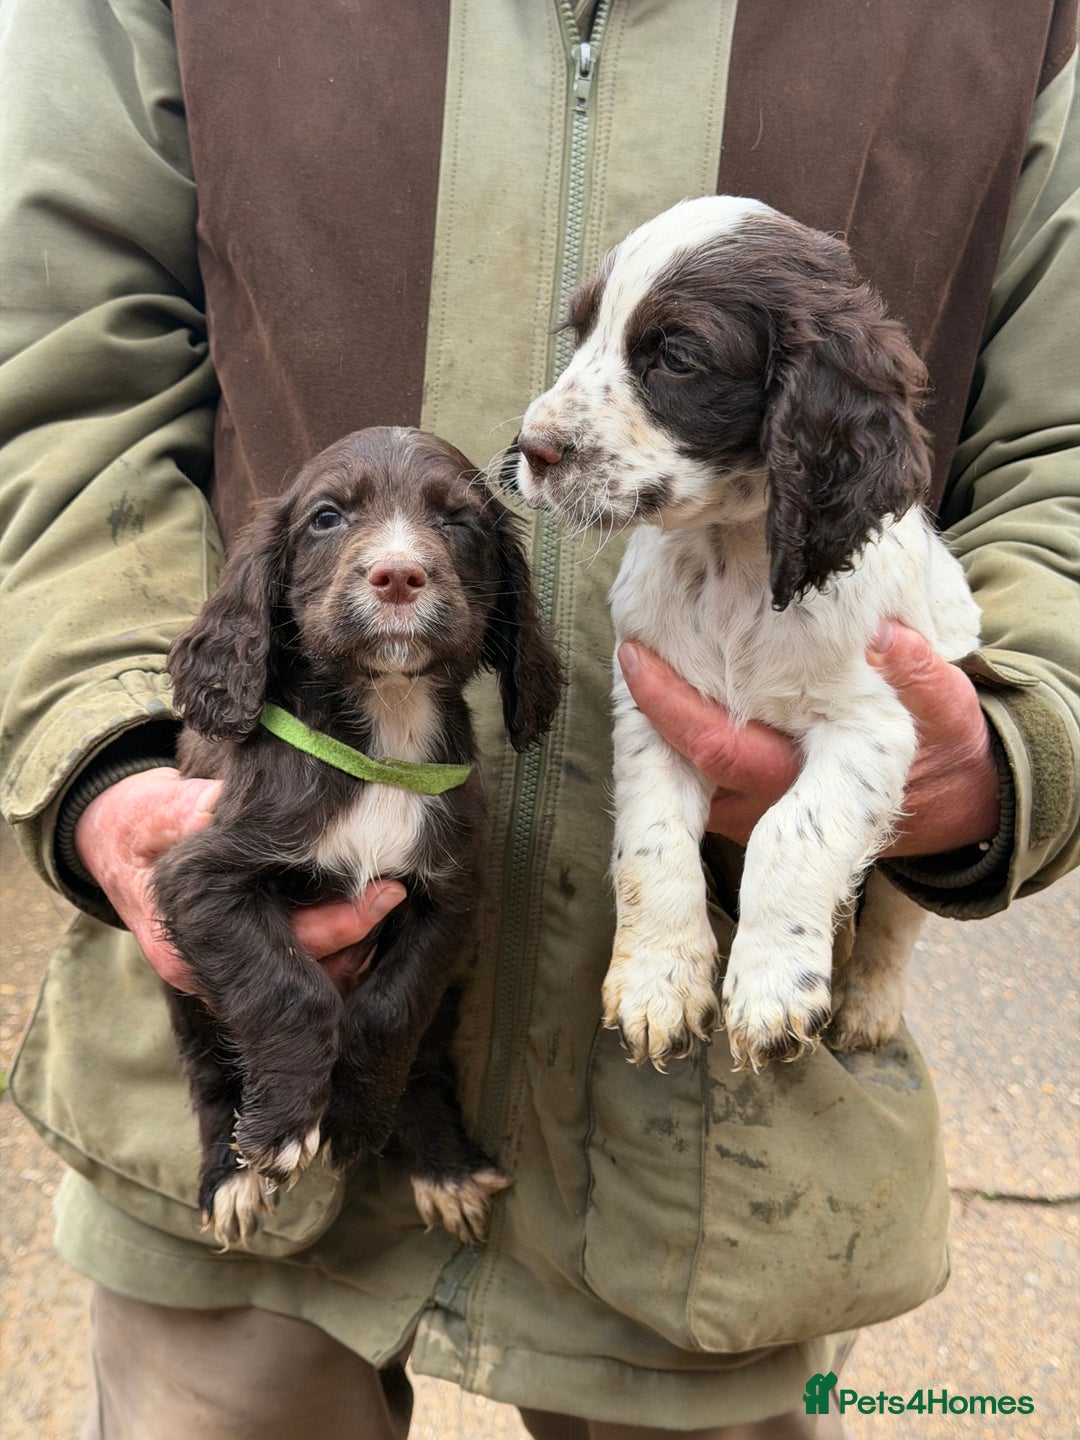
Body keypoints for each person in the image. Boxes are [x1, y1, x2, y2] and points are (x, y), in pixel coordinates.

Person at [1, 1, 1077, 1436]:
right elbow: (59, 366)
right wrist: (120, 758)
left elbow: (1063, 449)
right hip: (233, 1093)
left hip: (713, 1166)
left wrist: (1014, 750)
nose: (541, 429)